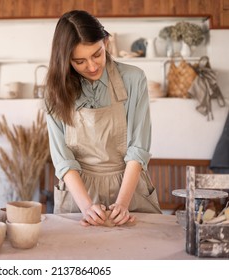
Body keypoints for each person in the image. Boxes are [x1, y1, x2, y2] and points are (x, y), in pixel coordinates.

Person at [44, 10, 162, 227]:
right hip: (78, 194)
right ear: (65, 60)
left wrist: (122, 204)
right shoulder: (55, 91)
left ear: (106, 42)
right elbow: (63, 159)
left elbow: (138, 148)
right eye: (79, 61)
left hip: (130, 187)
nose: (92, 66)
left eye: (97, 54)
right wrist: (87, 207)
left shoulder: (134, 79)